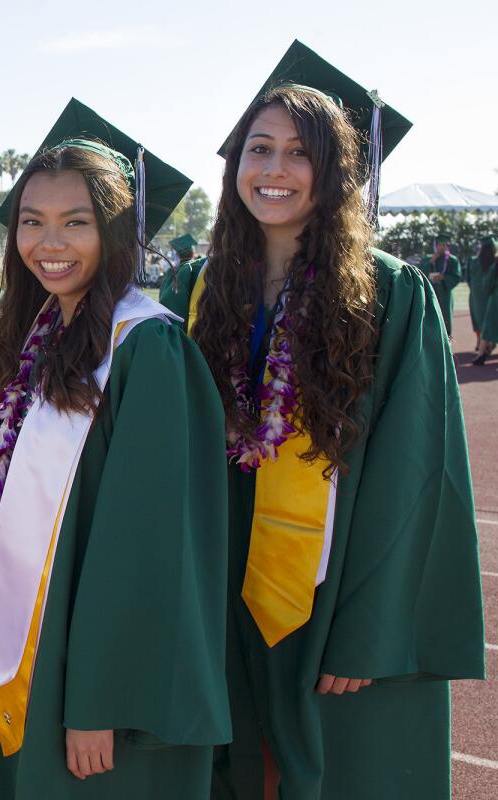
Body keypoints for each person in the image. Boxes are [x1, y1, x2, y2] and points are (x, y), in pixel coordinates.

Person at [160, 41, 485, 799]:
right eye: (257, 148)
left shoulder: (390, 294)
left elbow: (418, 468)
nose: (272, 169)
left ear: (335, 172)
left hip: (334, 589)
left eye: (298, 154)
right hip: (220, 578)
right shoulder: (191, 291)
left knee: (343, 772)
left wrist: (372, 629)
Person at [0, 99, 230, 800]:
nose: (50, 243)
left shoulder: (149, 348)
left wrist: (102, 701)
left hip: (97, 692)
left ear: (116, 233)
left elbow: (148, 547)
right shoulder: (49, 336)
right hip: (44, 656)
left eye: (77, 222)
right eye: (33, 223)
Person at [419, 232, 461, 338]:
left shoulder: (452, 260)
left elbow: (456, 276)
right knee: (430, 313)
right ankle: (430, 337)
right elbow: (419, 272)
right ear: (436, 245)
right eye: (440, 245)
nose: (442, 247)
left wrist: (443, 278)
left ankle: (447, 337)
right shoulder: (428, 258)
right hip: (430, 291)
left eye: (445, 245)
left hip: (445, 292)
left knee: (445, 315)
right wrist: (431, 261)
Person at [466, 235, 496, 363]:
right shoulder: (494, 261)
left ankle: (481, 347)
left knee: (482, 321)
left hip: (478, 296)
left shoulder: (473, 261)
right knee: (490, 323)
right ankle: (489, 344)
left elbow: (468, 279)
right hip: (491, 296)